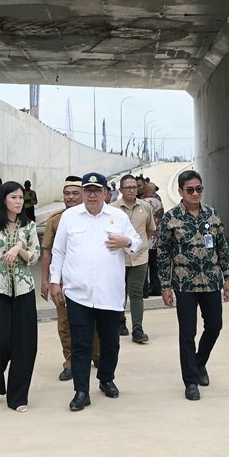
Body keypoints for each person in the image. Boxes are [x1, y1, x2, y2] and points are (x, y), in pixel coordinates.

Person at [49, 172, 141, 412]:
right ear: (82, 193)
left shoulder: (118, 217)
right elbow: (58, 252)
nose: (91, 195)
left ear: (105, 193)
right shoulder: (69, 217)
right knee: (81, 343)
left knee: (110, 342)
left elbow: (138, 243)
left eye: (96, 190)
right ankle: (81, 391)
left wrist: (126, 242)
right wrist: (54, 281)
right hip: (77, 293)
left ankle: (106, 378)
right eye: (87, 190)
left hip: (109, 294)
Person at [159, 169, 229, 401]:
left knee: (215, 327)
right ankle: (190, 381)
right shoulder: (171, 218)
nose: (195, 193)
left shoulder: (212, 215)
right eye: (189, 190)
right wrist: (165, 285)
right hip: (184, 283)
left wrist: (228, 277)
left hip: (211, 281)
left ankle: (199, 363)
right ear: (180, 191)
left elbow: (222, 247)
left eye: (199, 189)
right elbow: (163, 254)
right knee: (187, 333)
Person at [0, 181, 40, 412]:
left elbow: (34, 257)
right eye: (13, 197)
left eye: (21, 198)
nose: (19, 202)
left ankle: (18, 397)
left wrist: (19, 250)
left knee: (25, 345)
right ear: (4, 200)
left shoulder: (29, 226)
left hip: (24, 290)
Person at [40, 175, 85, 382]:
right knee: (65, 323)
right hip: (63, 281)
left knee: (93, 324)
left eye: (76, 193)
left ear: (84, 195)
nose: (71, 197)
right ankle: (69, 361)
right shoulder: (55, 220)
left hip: (88, 280)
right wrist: (46, 280)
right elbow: (47, 251)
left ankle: (95, 355)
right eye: (67, 194)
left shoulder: (96, 216)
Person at [114, 174, 156, 344]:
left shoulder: (145, 207)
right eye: (128, 187)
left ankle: (137, 329)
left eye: (134, 187)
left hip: (140, 258)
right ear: (121, 190)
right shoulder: (113, 209)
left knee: (136, 293)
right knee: (119, 293)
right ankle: (120, 321)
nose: (132, 190)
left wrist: (140, 245)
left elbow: (150, 230)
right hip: (118, 258)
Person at [143, 180, 165, 297]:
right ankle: (157, 288)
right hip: (157, 240)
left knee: (144, 267)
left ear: (146, 191)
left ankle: (145, 290)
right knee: (155, 267)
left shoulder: (144, 203)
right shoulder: (159, 202)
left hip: (146, 239)